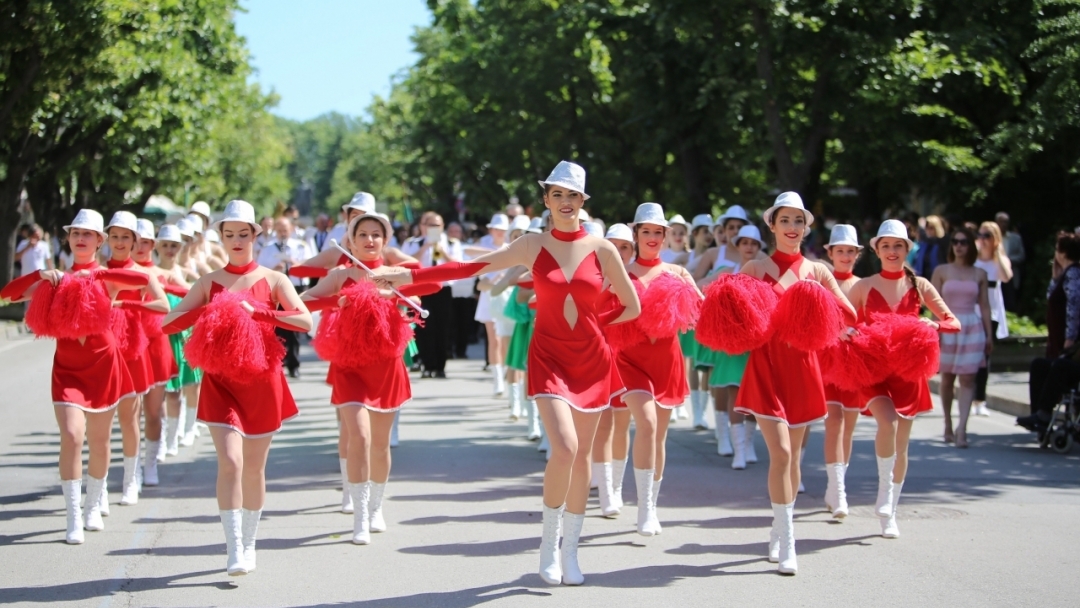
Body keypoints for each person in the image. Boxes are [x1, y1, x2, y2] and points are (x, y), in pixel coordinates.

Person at [384, 161, 640, 586]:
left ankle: (571, 552)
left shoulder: (603, 249)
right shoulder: (532, 245)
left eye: (572, 195)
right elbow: (468, 269)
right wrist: (407, 277)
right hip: (550, 358)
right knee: (564, 447)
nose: (564, 202)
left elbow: (632, 306)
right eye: (556, 194)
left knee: (582, 460)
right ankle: (547, 545)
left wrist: (597, 322)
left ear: (582, 201)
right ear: (546, 200)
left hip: (593, 362)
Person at [162, 199, 312, 576]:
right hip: (220, 383)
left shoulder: (274, 279)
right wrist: (209, 309)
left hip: (263, 383)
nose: (236, 240)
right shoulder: (209, 282)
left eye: (243, 234)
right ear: (221, 238)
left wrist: (260, 312)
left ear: (255, 235)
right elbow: (168, 324)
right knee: (230, 462)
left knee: (254, 470)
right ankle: (233, 549)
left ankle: (250, 542)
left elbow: (304, 321)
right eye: (229, 234)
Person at [1, 209, 146, 544]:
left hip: (103, 364)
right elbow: (6, 294)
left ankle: (93, 504)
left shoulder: (107, 277)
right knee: (72, 434)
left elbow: (141, 282)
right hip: (67, 368)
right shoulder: (54, 278)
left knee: (99, 441)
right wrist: (40, 274)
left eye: (88, 234)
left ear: (100, 241)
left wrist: (96, 278)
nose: (80, 238)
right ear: (69, 239)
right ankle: (73, 516)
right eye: (75, 233)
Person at [733, 193, 856, 575]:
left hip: (804, 370)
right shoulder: (755, 267)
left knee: (795, 459)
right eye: (785, 220)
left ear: (806, 227)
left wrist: (816, 307)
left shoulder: (817, 271)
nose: (792, 228)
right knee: (782, 455)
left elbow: (847, 313)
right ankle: (788, 541)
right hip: (766, 367)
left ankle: (777, 526)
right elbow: (732, 314)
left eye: (798, 221)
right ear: (772, 225)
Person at [302, 211, 439, 545]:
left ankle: (376, 507)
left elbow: (419, 296)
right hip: (349, 364)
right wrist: (338, 301)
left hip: (386, 363)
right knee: (358, 437)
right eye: (362, 234)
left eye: (376, 234)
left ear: (385, 239)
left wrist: (393, 294)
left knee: (380, 444)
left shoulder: (394, 273)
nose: (369, 240)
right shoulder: (341, 274)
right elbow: (304, 300)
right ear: (351, 239)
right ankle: (360, 517)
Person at [846, 219, 959, 540]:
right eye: (886, 246)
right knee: (888, 422)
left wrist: (931, 325)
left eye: (898, 245)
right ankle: (882, 494)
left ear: (907, 249)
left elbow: (953, 321)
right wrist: (851, 332)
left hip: (909, 373)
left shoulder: (920, 285)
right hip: (874, 371)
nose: (892, 251)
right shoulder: (864, 286)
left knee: (902, 445)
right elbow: (842, 319)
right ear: (876, 250)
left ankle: (890, 510)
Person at [615, 203, 701, 536]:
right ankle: (642, 508)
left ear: (666, 237)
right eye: (646, 231)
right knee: (646, 423)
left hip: (667, 361)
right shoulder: (620, 272)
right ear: (635, 235)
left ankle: (650, 506)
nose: (652, 237)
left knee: (658, 436)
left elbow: (702, 309)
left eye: (658, 232)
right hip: (629, 360)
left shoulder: (677, 273)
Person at [105, 211, 170, 506]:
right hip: (103, 351)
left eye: (126, 237)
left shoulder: (144, 274)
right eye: (115, 236)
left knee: (139, 416)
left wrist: (123, 303)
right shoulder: (98, 269)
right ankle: (101, 484)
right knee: (102, 422)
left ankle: (137, 474)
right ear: (106, 239)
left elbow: (163, 305)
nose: (120, 242)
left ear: (136, 241)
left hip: (137, 347)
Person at [130, 219, 181, 485]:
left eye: (146, 241)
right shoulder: (122, 272)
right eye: (134, 240)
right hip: (129, 347)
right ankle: (133, 469)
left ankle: (150, 464)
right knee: (130, 414)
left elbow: (187, 293)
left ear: (153, 244)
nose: (139, 246)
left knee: (153, 411)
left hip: (157, 346)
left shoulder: (164, 274)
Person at [713, 225, 768, 470]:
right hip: (733, 343)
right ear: (737, 245)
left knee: (755, 396)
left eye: (753, 243)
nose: (749, 247)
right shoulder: (727, 272)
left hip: (759, 343)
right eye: (744, 242)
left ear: (759, 247)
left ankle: (748, 444)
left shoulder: (766, 274)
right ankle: (737, 450)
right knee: (735, 392)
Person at [932, 226, 992, 448]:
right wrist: (934, 329)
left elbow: (985, 306)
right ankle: (947, 424)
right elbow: (932, 304)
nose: (959, 246)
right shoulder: (942, 270)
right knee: (947, 378)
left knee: (968, 378)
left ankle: (962, 429)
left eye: (963, 242)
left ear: (971, 246)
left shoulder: (980, 274)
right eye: (955, 242)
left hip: (972, 328)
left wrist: (989, 335)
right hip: (947, 326)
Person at [591, 223, 635, 517]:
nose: (618, 253)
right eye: (614, 246)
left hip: (630, 360)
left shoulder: (636, 280)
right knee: (603, 425)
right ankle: (605, 491)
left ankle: (616, 486)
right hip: (598, 359)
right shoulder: (591, 280)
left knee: (623, 424)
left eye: (625, 247)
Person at [819, 224, 863, 519]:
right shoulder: (822, 282)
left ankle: (837, 486)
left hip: (857, 364)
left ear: (857, 254)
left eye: (850, 251)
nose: (845, 256)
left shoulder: (863, 284)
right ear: (830, 253)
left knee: (849, 425)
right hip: (826, 361)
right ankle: (838, 491)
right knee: (833, 421)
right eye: (840, 251)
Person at [1017, 232, 1080, 431]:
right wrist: (1055, 276)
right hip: (1061, 341)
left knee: (1059, 367)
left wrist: (1070, 339)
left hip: (1070, 346)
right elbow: (1052, 296)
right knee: (1039, 365)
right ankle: (1039, 415)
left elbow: (1074, 308)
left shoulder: (1073, 274)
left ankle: (1044, 415)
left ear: (1063, 252)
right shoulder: (1066, 274)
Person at [153, 224, 202, 458]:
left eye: (174, 246)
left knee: (184, 387)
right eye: (165, 245)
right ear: (156, 246)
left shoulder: (183, 272)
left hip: (182, 334)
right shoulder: (150, 272)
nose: (170, 250)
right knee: (162, 394)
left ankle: (183, 431)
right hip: (158, 336)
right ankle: (161, 441)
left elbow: (197, 295)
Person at [401, 211, 463, 379]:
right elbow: (406, 262)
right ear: (423, 226)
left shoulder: (451, 242)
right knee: (424, 327)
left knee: (443, 327)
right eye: (431, 225)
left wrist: (441, 250)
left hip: (443, 288)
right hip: (422, 288)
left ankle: (440, 366)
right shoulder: (413, 242)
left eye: (437, 225)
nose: (434, 228)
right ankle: (427, 365)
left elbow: (457, 264)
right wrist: (426, 247)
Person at [257, 217, 310, 378]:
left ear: (291, 229)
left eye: (285, 230)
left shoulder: (300, 246)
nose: (282, 233)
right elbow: (259, 268)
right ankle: (278, 362)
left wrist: (295, 264)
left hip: (295, 287)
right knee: (276, 327)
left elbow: (310, 266)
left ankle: (294, 364)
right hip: (274, 291)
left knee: (293, 328)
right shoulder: (268, 249)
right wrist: (274, 269)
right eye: (279, 230)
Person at [971, 221, 1012, 416]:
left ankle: (980, 399)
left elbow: (1007, 277)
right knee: (972, 355)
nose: (982, 240)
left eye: (987, 236)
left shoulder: (999, 260)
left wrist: (997, 253)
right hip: (973, 311)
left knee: (984, 356)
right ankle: (969, 395)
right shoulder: (974, 260)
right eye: (980, 235)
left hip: (992, 313)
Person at [473, 213, 511, 392]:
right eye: (496, 229)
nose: (499, 233)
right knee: (493, 339)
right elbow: (469, 254)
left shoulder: (511, 247)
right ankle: (498, 381)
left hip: (507, 297)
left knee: (504, 340)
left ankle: (505, 373)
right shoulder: (484, 246)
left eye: (503, 230)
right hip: (489, 296)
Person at [996, 212, 1025, 309]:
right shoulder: (991, 238)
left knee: (1010, 302)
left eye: (1006, 222)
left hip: (1011, 275)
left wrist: (1008, 261)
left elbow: (1021, 256)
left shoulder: (1015, 238)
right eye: (1001, 222)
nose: (1003, 224)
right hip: (995, 274)